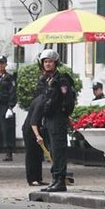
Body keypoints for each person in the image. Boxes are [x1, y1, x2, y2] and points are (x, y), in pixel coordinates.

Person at [35, 49, 73, 193]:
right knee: (52, 150)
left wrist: (63, 113)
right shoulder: (46, 80)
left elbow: (67, 101)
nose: (47, 64)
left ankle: (60, 181)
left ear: (55, 63)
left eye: (50, 61)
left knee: (59, 151)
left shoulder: (61, 80)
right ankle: (55, 179)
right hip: (48, 119)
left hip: (57, 119)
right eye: (45, 61)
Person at [23, 67, 49, 186]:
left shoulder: (47, 101)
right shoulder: (40, 102)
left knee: (39, 154)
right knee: (31, 154)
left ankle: (38, 178)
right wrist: (38, 136)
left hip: (38, 128)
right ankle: (31, 178)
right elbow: (33, 121)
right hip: (30, 129)